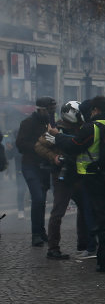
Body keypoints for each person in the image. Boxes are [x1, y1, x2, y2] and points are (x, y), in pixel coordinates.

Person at [49, 96, 105, 272]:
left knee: (97, 218)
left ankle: (104, 260)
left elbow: (75, 145)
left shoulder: (91, 127)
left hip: (92, 176)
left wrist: (58, 136)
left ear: (95, 110)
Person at [34, 100, 89, 260]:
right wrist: (54, 157)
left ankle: (83, 243)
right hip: (62, 175)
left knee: (85, 209)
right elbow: (39, 146)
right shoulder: (56, 129)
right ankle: (53, 247)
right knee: (58, 212)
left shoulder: (81, 128)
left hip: (78, 173)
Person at [16, 97, 57, 247]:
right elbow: (20, 144)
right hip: (30, 166)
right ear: (39, 109)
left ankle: (41, 230)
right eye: (48, 109)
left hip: (45, 167)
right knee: (38, 197)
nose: (51, 112)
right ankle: (35, 234)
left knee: (42, 200)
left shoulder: (50, 123)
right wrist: (37, 146)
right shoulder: (27, 123)